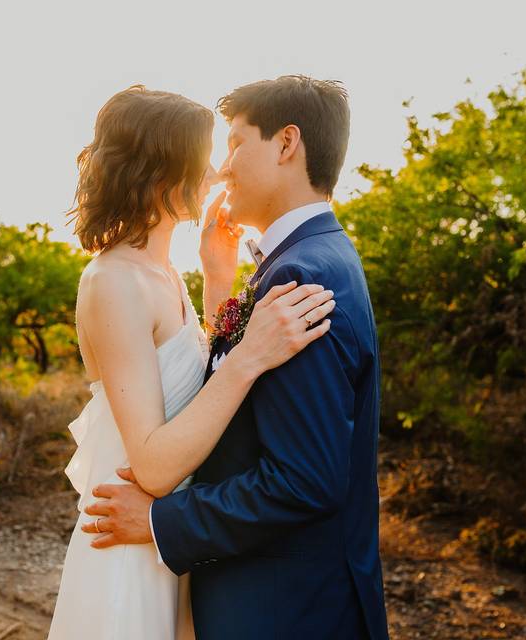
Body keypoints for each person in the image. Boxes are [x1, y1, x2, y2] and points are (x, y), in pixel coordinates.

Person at [84, 76, 390, 639]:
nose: (222, 169)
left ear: (285, 144)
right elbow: (235, 399)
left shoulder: (304, 274)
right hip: (255, 596)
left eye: (234, 143)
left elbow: (304, 480)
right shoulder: (304, 260)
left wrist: (157, 521)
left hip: (285, 611)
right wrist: (221, 281)